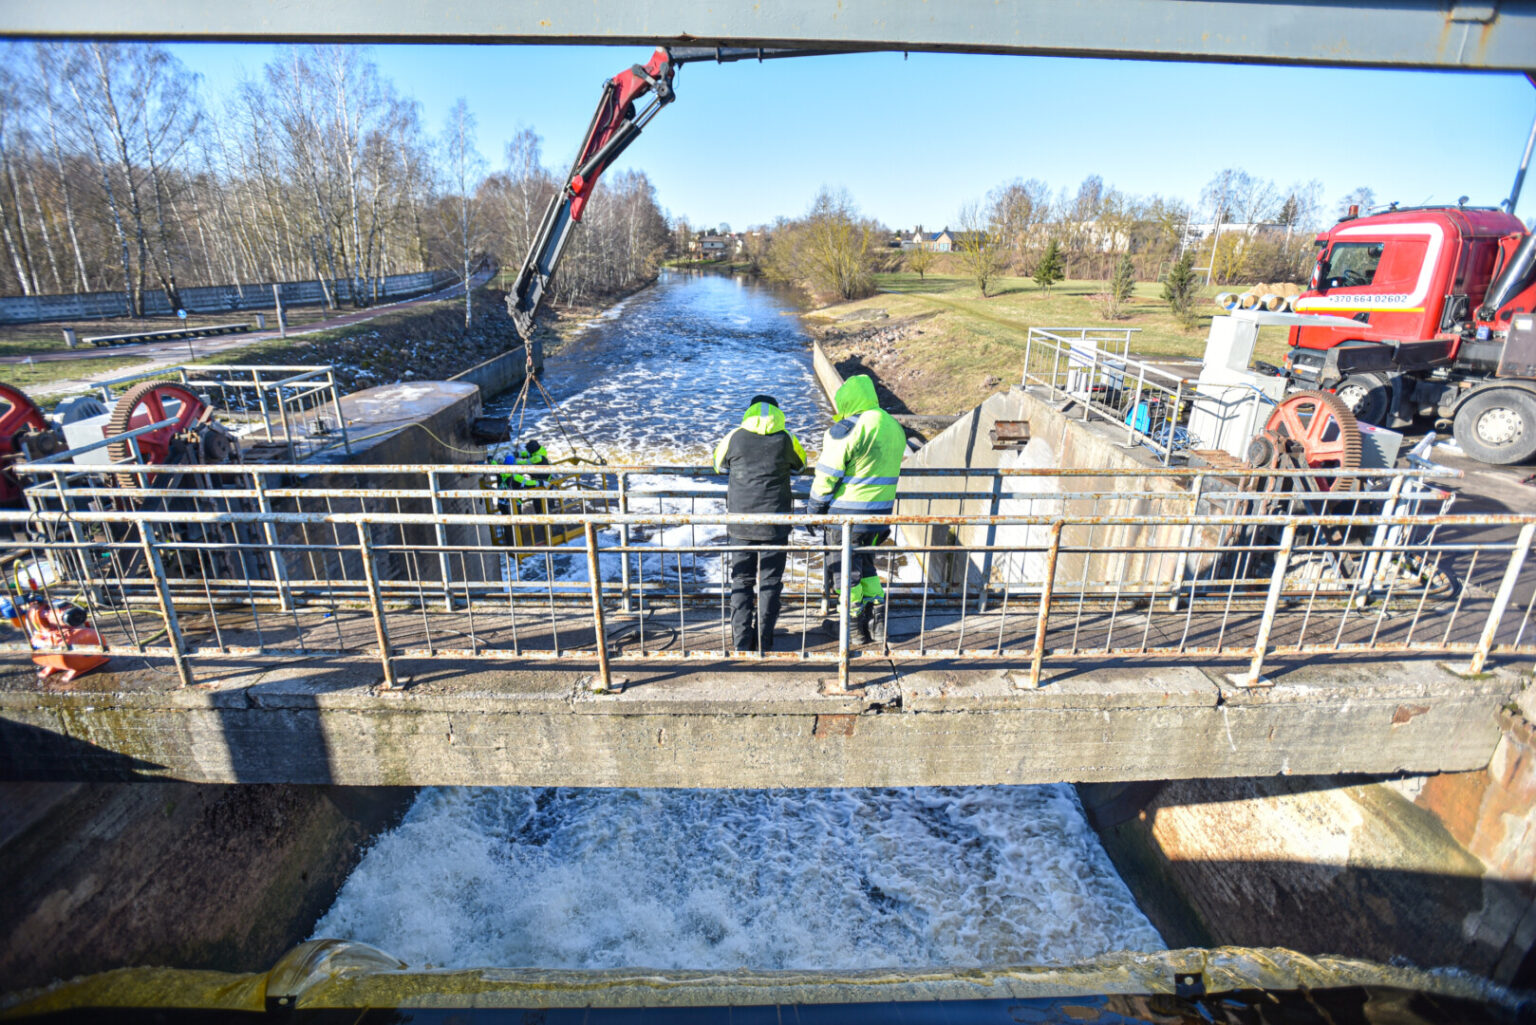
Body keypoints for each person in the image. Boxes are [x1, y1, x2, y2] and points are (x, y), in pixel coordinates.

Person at [807, 374, 906, 647]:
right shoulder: (892, 425)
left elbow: (827, 476)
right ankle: (878, 624)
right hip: (880, 515)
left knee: (845, 573)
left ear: (848, 401)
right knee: (867, 566)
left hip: (847, 518)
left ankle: (851, 629)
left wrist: (814, 511)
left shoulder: (849, 428)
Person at [713, 395, 807, 652]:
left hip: (740, 524)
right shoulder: (786, 438)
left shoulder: (735, 436)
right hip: (775, 524)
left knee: (741, 580)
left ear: (749, 413)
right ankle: (765, 641)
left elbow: (718, 466)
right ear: (777, 413)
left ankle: (741, 643)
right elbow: (801, 466)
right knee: (770, 582)